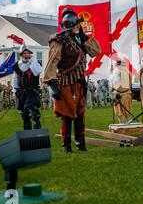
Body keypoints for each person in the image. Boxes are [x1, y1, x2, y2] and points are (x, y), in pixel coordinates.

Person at [43, 8, 101, 153]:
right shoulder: (58, 40)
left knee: (80, 113)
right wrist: (52, 83)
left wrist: (84, 37)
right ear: (68, 27)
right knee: (67, 114)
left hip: (80, 81)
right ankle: (66, 145)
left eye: (78, 25)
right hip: (65, 82)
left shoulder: (81, 38)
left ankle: (80, 144)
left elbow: (96, 51)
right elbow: (52, 61)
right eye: (74, 25)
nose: (77, 27)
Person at [12, 44, 43, 130]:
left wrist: (32, 61)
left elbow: (37, 72)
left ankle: (38, 133)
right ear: (21, 54)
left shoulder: (35, 63)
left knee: (34, 114)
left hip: (32, 91)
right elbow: (15, 79)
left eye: (27, 53)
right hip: (21, 92)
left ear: (30, 54)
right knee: (24, 114)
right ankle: (27, 134)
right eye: (24, 53)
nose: (26, 55)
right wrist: (15, 91)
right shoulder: (16, 65)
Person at [111, 59, 132, 123]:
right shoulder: (128, 72)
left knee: (118, 110)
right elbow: (130, 82)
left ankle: (122, 123)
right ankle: (128, 121)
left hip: (119, 94)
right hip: (126, 93)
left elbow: (114, 83)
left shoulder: (117, 72)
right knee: (127, 108)